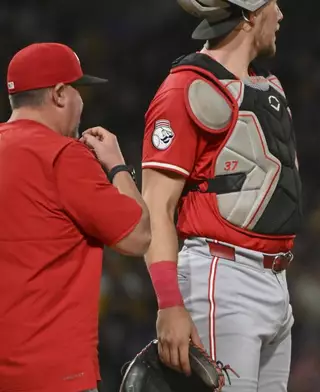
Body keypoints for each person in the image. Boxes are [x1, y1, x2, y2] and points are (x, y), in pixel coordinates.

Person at [140, 0, 302, 391]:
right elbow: (155, 207)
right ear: (249, 13)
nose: (280, 15)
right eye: (273, 5)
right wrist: (169, 303)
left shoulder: (264, 85)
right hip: (221, 279)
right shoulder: (187, 87)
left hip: (276, 280)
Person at [0, 43, 151, 392]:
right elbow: (138, 237)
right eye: (78, 90)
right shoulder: (63, 155)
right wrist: (116, 165)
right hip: (52, 374)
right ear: (58, 94)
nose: (82, 102)